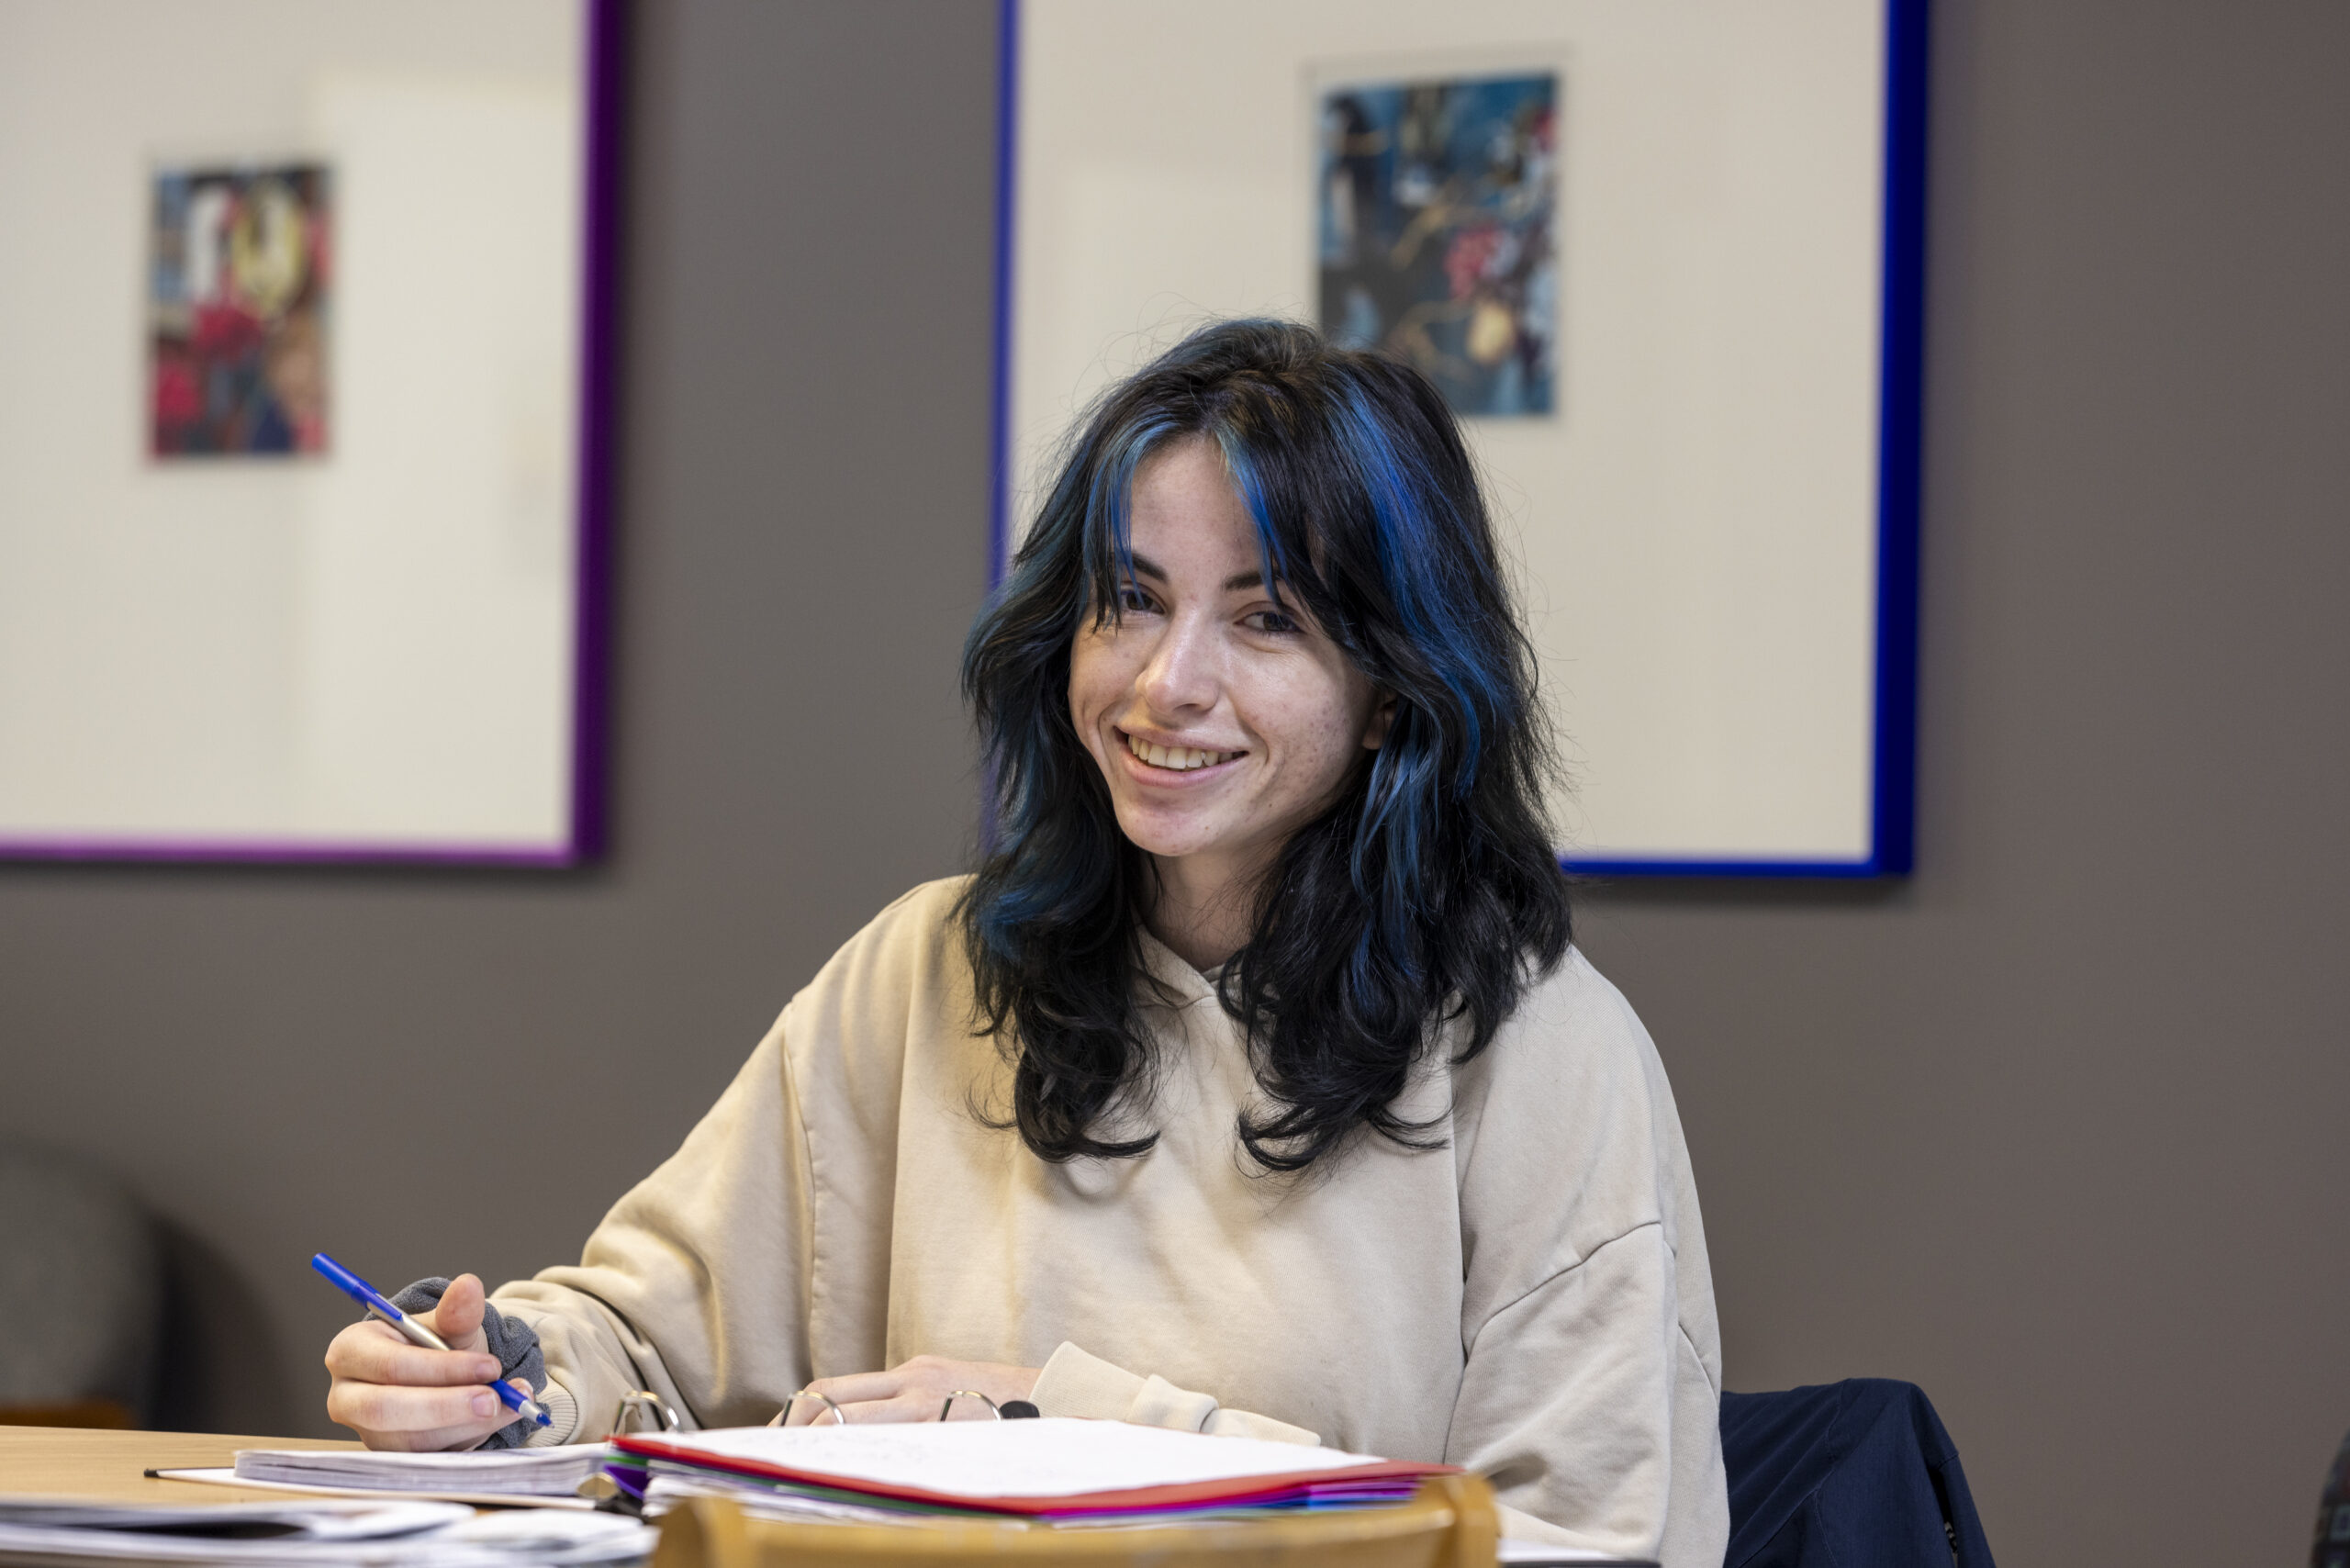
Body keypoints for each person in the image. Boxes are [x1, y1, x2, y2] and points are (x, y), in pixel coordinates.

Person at [321, 320, 1729, 1564]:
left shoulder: (1544, 1055)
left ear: (1392, 693)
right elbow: (641, 1338)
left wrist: (1055, 1430)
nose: (1168, 683)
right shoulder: (924, 975)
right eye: (1131, 601)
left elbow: (1592, 1544)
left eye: (1266, 619)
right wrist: (492, 1375)